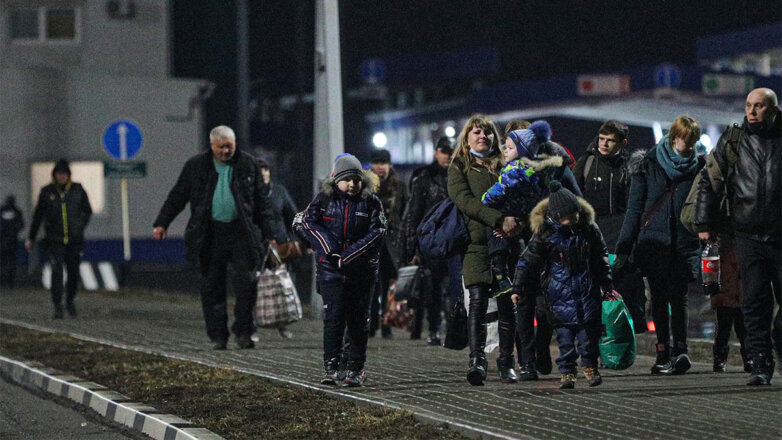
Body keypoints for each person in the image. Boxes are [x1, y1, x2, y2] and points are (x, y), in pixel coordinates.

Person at [153, 125, 276, 350]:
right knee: (211, 287)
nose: (226, 151)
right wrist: (162, 223)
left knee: (246, 285)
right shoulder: (196, 166)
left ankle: (243, 331)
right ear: (212, 146)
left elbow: (262, 203)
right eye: (221, 147)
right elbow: (178, 195)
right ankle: (218, 335)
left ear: (235, 144)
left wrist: (271, 234)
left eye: (230, 146)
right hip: (209, 234)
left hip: (242, 233)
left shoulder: (248, 165)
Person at [695, 88, 782, 385]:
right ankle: (760, 364)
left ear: (773, 108)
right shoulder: (734, 139)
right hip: (746, 235)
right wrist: (704, 221)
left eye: (759, 106)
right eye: (748, 105)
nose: (752, 111)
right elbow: (709, 179)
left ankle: (776, 346)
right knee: (754, 303)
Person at [615, 116, 706, 376]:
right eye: (686, 141)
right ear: (674, 137)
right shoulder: (649, 164)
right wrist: (624, 247)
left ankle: (680, 351)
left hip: (683, 242)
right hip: (654, 244)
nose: (690, 147)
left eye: (693, 142)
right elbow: (634, 209)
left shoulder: (699, 167)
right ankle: (662, 352)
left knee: (680, 298)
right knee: (658, 298)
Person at [496, 120, 582, 380]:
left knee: (543, 305)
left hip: (546, 243)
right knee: (523, 302)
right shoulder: (509, 169)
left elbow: (575, 199)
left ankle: (539, 350)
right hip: (520, 245)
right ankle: (528, 360)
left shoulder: (554, 166)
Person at [511, 181, 612, 388]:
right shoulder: (546, 233)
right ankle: (567, 371)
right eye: (563, 218)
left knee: (588, 338)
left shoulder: (588, 229)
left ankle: (590, 367)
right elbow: (527, 260)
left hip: (586, 291)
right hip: (558, 294)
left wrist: (606, 283)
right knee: (564, 339)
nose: (568, 222)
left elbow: (600, 256)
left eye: (572, 217)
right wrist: (518, 287)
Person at [300, 153, 386, 387]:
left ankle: (355, 368)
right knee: (334, 319)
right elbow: (309, 223)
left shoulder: (371, 202)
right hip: (331, 273)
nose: (352, 184)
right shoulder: (324, 200)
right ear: (336, 179)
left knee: (358, 321)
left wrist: (347, 257)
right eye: (347, 179)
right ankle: (331, 366)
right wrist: (330, 252)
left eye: (356, 180)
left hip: (362, 273)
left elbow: (377, 233)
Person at [448, 114, 520, 385]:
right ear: (467, 138)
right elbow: (465, 201)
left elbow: (520, 196)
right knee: (476, 303)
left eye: (487, 133)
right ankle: (477, 361)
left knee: (506, 305)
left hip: (506, 244)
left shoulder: (506, 164)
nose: (482, 137)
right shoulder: (459, 167)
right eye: (476, 133)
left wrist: (515, 223)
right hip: (475, 246)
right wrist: (497, 219)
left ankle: (506, 363)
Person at [572, 120, 647, 333]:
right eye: (601, 139)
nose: (603, 144)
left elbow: (635, 206)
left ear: (623, 143)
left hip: (620, 237)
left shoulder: (630, 167)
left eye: (610, 140)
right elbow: (574, 198)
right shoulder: (586, 163)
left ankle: (618, 337)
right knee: (592, 291)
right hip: (592, 236)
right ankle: (594, 342)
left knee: (620, 291)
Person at [403, 137, 463, 345]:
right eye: (444, 151)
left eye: (450, 151)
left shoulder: (461, 175)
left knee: (456, 287)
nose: (447, 155)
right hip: (433, 241)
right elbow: (413, 212)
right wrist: (413, 247)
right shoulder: (424, 177)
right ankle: (435, 328)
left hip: (456, 240)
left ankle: (455, 329)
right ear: (436, 152)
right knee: (433, 288)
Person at [26, 159, 92, 318]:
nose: (61, 177)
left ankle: (70, 300)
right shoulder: (47, 192)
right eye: (58, 174)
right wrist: (31, 237)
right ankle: (57, 305)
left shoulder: (77, 190)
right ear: (54, 175)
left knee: (74, 273)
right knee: (57, 273)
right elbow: (38, 216)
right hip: (54, 239)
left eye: (64, 174)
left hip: (74, 240)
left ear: (69, 175)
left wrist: (79, 226)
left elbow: (87, 211)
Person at [258, 158, 299, 339]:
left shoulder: (279, 191)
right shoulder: (250, 193)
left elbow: (292, 215)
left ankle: (283, 323)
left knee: (284, 283)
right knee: (256, 284)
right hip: (259, 244)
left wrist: (303, 239)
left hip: (281, 243)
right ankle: (252, 325)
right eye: (260, 170)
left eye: (266, 169)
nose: (264, 173)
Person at [369, 148, 407, 338]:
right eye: (376, 163)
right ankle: (372, 322)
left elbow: (406, 214)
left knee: (389, 284)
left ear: (389, 165)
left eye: (383, 163)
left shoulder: (400, 187)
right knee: (372, 284)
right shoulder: (365, 186)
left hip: (392, 243)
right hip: (371, 243)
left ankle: (387, 323)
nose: (380, 167)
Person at [1, 195, 24, 287]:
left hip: (2, 240)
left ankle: (2, 281)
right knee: (12, 261)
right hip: (13, 240)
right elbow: (21, 225)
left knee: (2, 262)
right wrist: (15, 230)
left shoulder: (1, 210)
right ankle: (10, 281)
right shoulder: (17, 211)